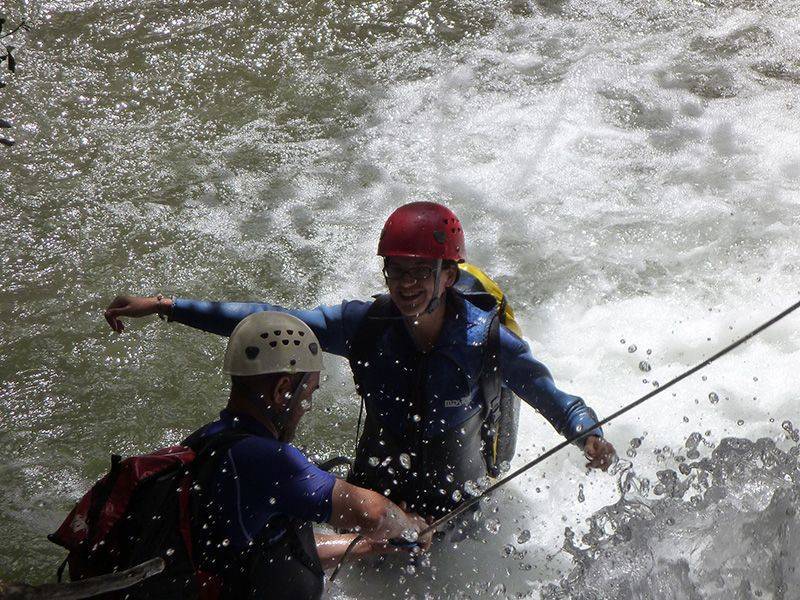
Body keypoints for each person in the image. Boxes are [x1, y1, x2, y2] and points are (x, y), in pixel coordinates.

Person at [105, 202, 616, 520]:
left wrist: (587, 432)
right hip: (382, 456)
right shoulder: (364, 325)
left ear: (448, 276)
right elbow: (271, 320)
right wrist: (168, 307)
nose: (408, 285)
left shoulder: (486, 340)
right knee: (372, 534)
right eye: (397, 271)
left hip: (459, 471)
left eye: (422, 272)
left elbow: (549, 393)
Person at [173, 311, 431, 598]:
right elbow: (376, 514)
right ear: (283, 390)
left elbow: (279, 551)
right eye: (307, 395)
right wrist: (409, 526)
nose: (305, 408)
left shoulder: (207, 441)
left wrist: (369, 546)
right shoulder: (265, 460)